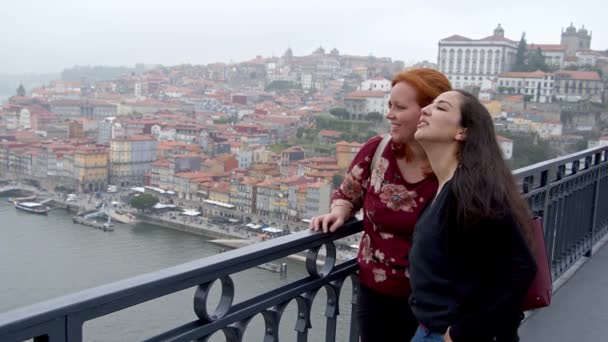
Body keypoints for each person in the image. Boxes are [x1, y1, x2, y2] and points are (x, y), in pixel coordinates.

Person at [310, 68, 452, 341]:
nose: (389, 115)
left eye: (399, 107)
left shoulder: (453, 165)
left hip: (433, 302)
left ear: (428, 112)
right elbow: (348, 193)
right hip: (375, 292)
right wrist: (338, 212)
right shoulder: (378, 151)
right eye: (389, 105)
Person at [408, 90, 537, 342]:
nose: (425, 110)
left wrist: (463, 332)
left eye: (441, 108)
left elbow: (520, 268)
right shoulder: (449, 187)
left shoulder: (473, 191)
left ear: (462, 132)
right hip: (431, 328)